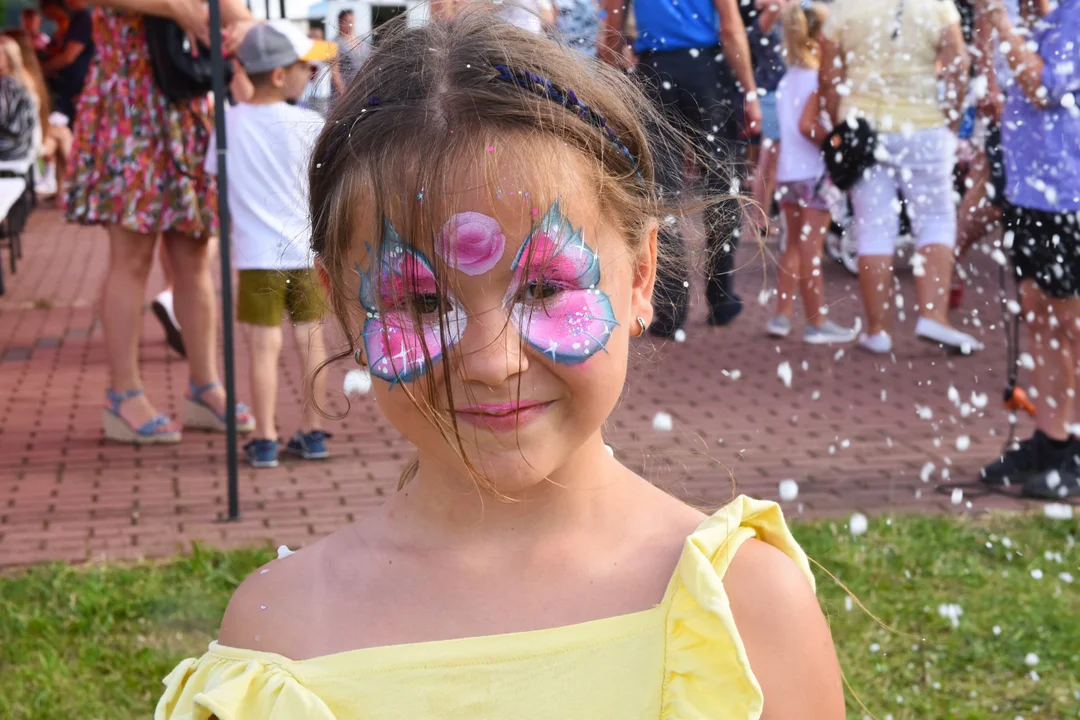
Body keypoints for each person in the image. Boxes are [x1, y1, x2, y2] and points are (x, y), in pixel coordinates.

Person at [156, 13, 845, 719]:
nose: (490, 362)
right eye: (422, 303)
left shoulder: (744, 613)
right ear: (343, 308)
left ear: (640, 279)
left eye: (544, 289)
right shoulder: (281, 639)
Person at [65, 0, 257, 444]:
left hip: (184, 104)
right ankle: (124, 394)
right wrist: (177, 9)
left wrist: (245, 28)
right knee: (131, 257)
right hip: (128, 106)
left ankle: (205, 385)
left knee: (194, 255)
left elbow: (234, 12)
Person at [820, 0, 982, 355]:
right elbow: (958, 65)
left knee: (874, 227)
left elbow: (829, 79)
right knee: (936, 219)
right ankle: (933, 315)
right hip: (923, 125)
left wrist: (840, 128)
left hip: (863, 131)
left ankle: (877, 331)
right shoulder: (937, 5)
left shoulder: (845, 9)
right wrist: (951, 122)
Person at [206, 21, 335, 468]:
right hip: (304, 252)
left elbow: (217, 180)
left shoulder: (229, 125)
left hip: (255, 255)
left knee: (263, 349)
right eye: (304, 65)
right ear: (279, 75)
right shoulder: (309, 122)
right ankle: (313, 431)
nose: (311, 70)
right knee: (311, 339)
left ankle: (264, 437)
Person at [599, 0, 760, 337]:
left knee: (662, 193)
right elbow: (730, 26)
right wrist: (749, 90)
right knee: (721, 185)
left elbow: (612, 32)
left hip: (655, 72)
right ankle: (721, 296)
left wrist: (610, 84)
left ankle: (671, 309)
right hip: (706, 70)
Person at [977, 0, 1080, 499]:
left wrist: (999, 20)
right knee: (1038, 312)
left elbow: (1045, 88)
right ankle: (1051, 437)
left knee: (1071, 322)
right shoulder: (1035, 15)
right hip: (1030, 188)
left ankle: (1074, 445)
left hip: (1069, 190)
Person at [766, 2, 856, 345]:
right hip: (814, 174)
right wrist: (835, 142)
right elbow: (808, 126)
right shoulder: (819, 77)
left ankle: (781, 316)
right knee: (810, 248)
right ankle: (817, 320)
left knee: (793, 246)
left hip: (789, 174)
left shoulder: (787, 79)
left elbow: (787, 130)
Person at [3, 29, 74, 201]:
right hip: (18, 144)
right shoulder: (20, 80)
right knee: (63, 136)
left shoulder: (18, 79)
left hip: (22, 139)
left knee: (63, 135)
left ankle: (64, 190)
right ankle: (66, 190)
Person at [746, 0, 788, 239]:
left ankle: (763, 217)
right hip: (772, 94)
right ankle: (759, 218)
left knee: (771, 159)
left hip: (781, 92)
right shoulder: (767, 17)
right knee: (769, 158)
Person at [41, 0, 94, 124]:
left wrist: (43, 69)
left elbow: (68, 57)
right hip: (71, 84)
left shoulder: (83, 19)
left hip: (74, 86)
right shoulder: (76, 19)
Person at [330, 9, 370, 102]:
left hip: (362, 91)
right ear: (340, 22)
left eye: (352, 21)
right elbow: (335, 73)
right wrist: (344, 93)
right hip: (344, 93)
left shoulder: (362, 42)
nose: (350, 25)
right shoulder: (335, 43)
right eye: (347, 22)